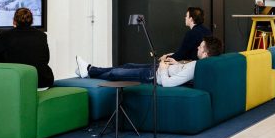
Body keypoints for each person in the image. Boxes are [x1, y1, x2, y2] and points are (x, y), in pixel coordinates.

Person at [74, 36, 223, 87]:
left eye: (200, 46)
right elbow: (184, 71)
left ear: (205, 53)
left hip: (154, 75)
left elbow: (168, 83)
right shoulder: (202, 64)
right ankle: (89, 70)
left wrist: (163, 68)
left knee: (117, 73)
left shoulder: (196, 67)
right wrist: (177, 64)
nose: (198, 47)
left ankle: (89, 70)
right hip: (159, 69)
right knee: (127, 65)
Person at [0, 8, 54, 90]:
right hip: (43, 83)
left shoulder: (3, 36)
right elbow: (46, 59)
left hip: (16, 85)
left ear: (14, 21)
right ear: (32, 21)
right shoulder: (41, 35)